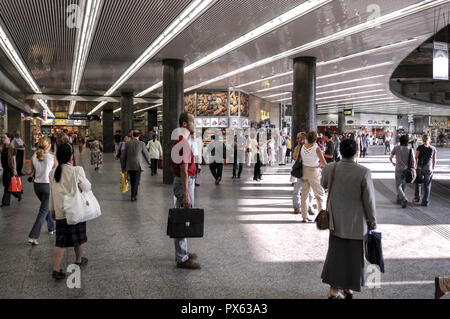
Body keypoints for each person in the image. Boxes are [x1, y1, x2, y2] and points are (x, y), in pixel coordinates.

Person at [320, 138, 377, 299]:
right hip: (357, 224)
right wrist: (372, 223)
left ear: (340, 151)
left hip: (336, 222)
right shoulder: (364, 172)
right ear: (356, 152)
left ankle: (333, 289)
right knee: (354, 257)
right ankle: (349, 288)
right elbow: (369, 201)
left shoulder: (331, 168)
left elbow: (323, 184)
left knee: (335, 255)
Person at [49, 144, 90, 280]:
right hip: (75, 210)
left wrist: (52, 210)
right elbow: (86, 187)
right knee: (78, 238)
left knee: (60, 241)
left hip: (60, 211)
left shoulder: (53, 172)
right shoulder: (77, 170)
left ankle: (56, 269)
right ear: (71, 156)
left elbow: (52, 194)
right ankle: (78, 260)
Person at [171, 112, 200, 269]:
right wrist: (186, 194)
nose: (194, 125)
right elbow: (183, 169)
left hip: (186, 181)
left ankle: (183, 252)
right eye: (192, 122)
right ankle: (181, 258)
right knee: (182, 218)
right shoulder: (182, 141)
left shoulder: (183, 139)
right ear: (184, 124)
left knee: (184, 216)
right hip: (185, 182)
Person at [27, 137, 56, 246]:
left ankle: (52, 227)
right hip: (48, 186)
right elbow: (57, 172)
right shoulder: (52, 157)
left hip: (37, 186)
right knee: (43, 211)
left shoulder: (34, 156)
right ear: (49, 145)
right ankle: (33, 236)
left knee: (46, 207)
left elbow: (28, 171)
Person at [300, 131, 327, 223]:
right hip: (314, 172)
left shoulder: (303, 146)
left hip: (304, 171)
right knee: (320, 194)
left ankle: (304, 216)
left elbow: (301, 159)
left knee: (304, 194)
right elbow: (324, 162)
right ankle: (321, 217)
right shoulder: (316, 148)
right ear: (315, 139)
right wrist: (320, 165)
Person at [121, 131, 151, 201]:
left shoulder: (127, 143)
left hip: (129, 165)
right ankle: (133, 196)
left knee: (132, 181)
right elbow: (146, 154)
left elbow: (124, 156)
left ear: (132, 136)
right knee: (136, 181)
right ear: (139, 136)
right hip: (138, 165)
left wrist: (123, 166)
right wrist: (149, 162)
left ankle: (134, 194)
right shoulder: (141, 143)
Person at [390, 135, 415, 208]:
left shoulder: (396, 148)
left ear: (400, 141)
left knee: (398, 185)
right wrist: (413, 169)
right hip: (407, 169)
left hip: (398, 169)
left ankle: (403, 198)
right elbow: (414, 160)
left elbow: (390, 157)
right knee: (403, 184)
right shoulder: (410, 149)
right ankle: (399, 199)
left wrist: (393, 162)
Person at [414, 135, 437, 207]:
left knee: (418, 183)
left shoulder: (419, 147)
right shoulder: (433, 148)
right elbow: (434, 160)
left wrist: (415, 167)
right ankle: (425, 202)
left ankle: (417, 198)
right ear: (430, 140)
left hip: (420, 167)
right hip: (429, 168)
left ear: (422, 140)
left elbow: (416, 158)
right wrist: (433, 167)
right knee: (427, 185)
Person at [1, 133, 22, 207]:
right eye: (2, 138)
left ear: (9, 138)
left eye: (4, 137)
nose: (2, 139)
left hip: (10, 168)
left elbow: (14, 159)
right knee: (6, 184)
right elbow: (2, 157)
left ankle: (5, 202)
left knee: (7, 185)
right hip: (5, 168)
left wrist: (14, 169)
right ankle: (18, 193)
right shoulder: (3, 147)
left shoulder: (12, 147)